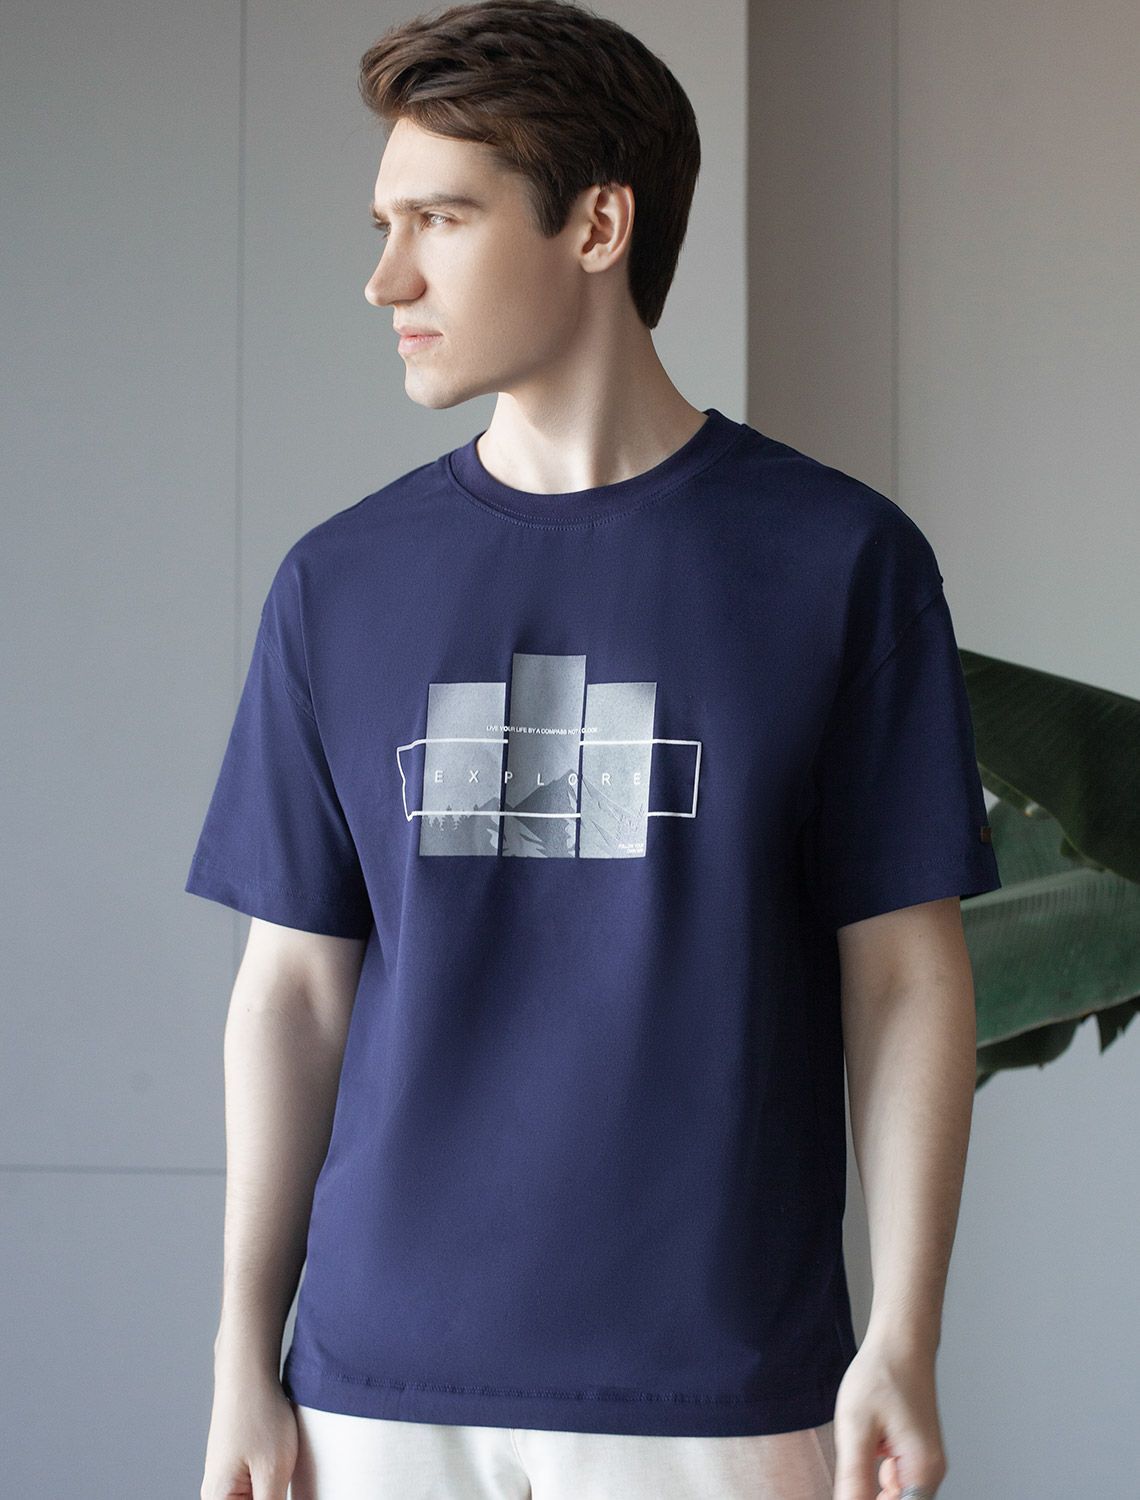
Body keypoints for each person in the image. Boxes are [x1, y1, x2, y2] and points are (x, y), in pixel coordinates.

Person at [188, 3, 1000, 1498]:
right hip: (373, 1390)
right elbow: (293, 990)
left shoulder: (837, 561)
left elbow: (905, 974)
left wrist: (903, 1331)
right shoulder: (338, 583)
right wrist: (245, 1348)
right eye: (386, 224)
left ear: (597, 226)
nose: (387, 278)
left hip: (719, 1389)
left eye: (441, 219)